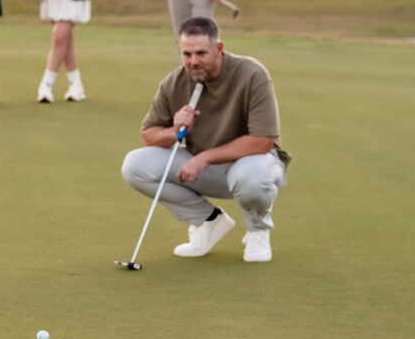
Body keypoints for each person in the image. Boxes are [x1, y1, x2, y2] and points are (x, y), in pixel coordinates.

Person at [120, 17, 290, 263]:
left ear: (219, 49)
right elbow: (149, 135)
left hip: (255, 163)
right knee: (134, 165)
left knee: (251, 177)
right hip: (206, 168)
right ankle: (208, 221)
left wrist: (203, 158)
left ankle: (258, 230)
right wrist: (175, 130)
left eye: (201, 53)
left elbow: (262, 141)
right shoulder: (174, 82)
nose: (193, 61)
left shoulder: (252, 74)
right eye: (186, 54)